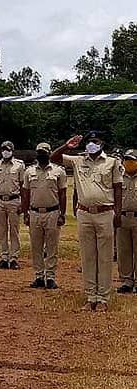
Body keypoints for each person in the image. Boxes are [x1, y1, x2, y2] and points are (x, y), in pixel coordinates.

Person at [51, 132, 122, 312]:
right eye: (89, 141)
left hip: (105, 213)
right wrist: (67, 145)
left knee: (105, 257)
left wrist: (118, 213)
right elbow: (54, 157)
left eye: (95, 141)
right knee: (88, 257)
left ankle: (103, 298)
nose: (91, 144)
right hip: (84, 213)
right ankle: (91, 296)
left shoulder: (112, 162)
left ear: (102, 143)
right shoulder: (77, 160)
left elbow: (118, 188)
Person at [21, 142, 67, 290]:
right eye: (39, 153)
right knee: (36, 247)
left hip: (52, 212)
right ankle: (39, 276)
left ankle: (51, 277)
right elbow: (25, 194)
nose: (41, 155)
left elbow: (63, 194)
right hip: (34, 213)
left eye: (44, 153)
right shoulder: (29, 172)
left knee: (52, 247)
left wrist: (62, 214)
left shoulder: (58, 171)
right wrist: (25, 213)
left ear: (49, 153)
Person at [0, 141, 25, 270]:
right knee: (1, 230)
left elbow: (23, 185)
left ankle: (14, 257)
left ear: (12, 150)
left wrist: (22, 203)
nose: (5, 151)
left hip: (14, 200)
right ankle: (4, 257)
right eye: (3, 149)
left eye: (7, 149)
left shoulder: (19, 165)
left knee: (14, 230)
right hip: (0, 200)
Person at [116, 149, 137, 293]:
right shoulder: (118, 177)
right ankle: (127, 281)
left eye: (132, 160)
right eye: (127, 159)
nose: (129, 163)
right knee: (124, 251)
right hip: (122, 218)